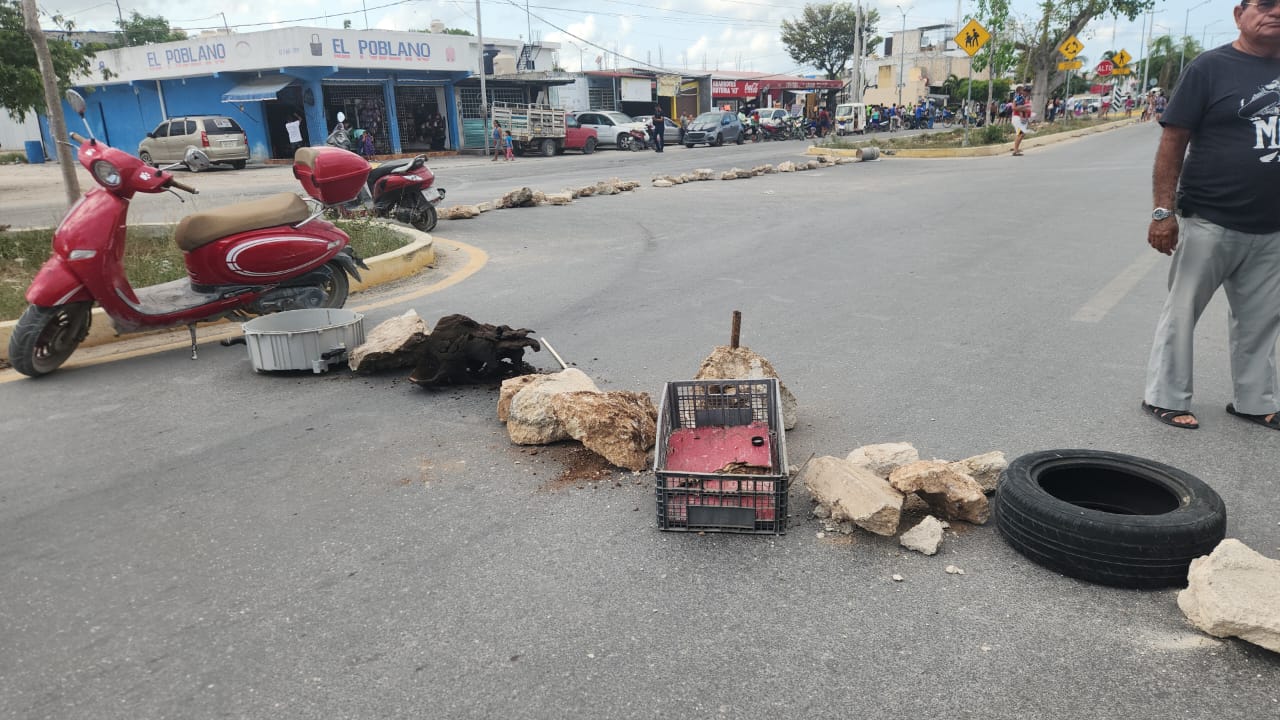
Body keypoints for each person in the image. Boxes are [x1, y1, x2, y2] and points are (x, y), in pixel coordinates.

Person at [1141, 0, 1280, 431]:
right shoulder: (1209, 68)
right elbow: (1173, 141)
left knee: (1261, 320)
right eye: (1265, 3)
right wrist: (1164, 211)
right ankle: (1165, 396)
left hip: (1272, 227)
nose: (1275, 11)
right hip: (1210, 219)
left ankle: (1254, 401)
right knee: (1182, 312)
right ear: (1240, 14)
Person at [1010, 86, 1033, 156]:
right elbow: (1014, 107)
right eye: (1026, 91)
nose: (1027, 93)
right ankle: (1015, 150)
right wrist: (1025, 109)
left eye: (1028, 92)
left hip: (1022, 118)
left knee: (1022, 134)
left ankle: (1016, 149)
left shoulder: (1024, 98)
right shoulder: (1019, 97)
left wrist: (1026, 116)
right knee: (1021, 134)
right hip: (1018, 118)